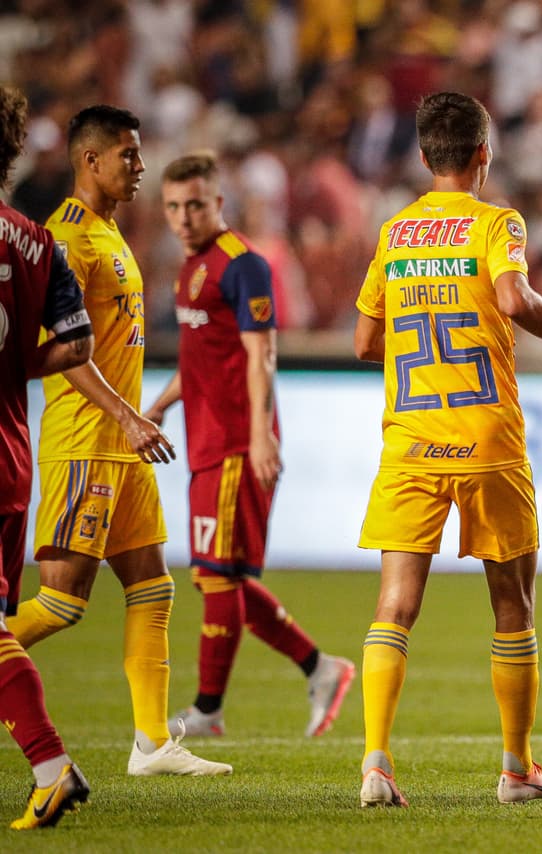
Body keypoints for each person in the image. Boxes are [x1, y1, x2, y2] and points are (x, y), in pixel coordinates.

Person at [352, 91, 542, 806]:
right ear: (483, 155)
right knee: (513, 605)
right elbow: (515, 299)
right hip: (488, 438)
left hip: (412, 440)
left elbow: (365, 341)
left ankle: (375, 761)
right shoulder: (498, 222)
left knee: (394, 605)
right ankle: (517, 768)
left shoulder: (396, 231)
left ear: (422, 154)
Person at [5, 104, 231, 777]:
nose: (140, 166)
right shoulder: (65, 240)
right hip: (86, 442)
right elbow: (62, 352)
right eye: (127, 155)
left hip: (124, 445)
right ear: (90, 160)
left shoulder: (107, 233)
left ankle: (152, 744)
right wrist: (130, 418)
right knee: (61, 601)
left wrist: (132, 423)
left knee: (153, 587)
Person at [144, 152, 356, 739]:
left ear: (218, 203)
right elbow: (203, 359)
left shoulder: (243, 265)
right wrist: (161, 405)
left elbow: (261, 353)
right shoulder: (191, 266)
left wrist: (262, 434)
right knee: (222, 575)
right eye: (173, 207)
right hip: (206, 440)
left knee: (217, 576)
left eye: (195, 205)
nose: (184, 217)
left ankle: (207, 709)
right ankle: (320, 668)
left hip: (238, 442)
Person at [0, 84, 94, 831]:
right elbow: (78, 342)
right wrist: (15, 370)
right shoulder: (37, 241)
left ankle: (51, 764)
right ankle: (49, 766)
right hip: (11, 454)